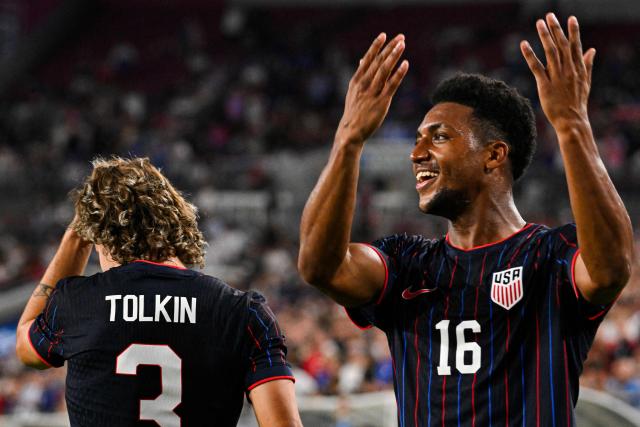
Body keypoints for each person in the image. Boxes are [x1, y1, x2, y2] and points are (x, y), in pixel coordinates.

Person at [298, 13, 633, 426]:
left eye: (438, 137)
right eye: (419, 138)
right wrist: (348, 137)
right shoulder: (407, 265)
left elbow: (612, 267)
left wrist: (572, 126)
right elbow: (318, 267)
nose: (416, 152)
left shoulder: (551, 257)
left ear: (494, 155)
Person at [15, 157, 301, 427]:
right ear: (178, 221)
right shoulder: (243, 312)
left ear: (99, 235)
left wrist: (75, 237)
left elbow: (27, 349)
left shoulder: (77, 302)